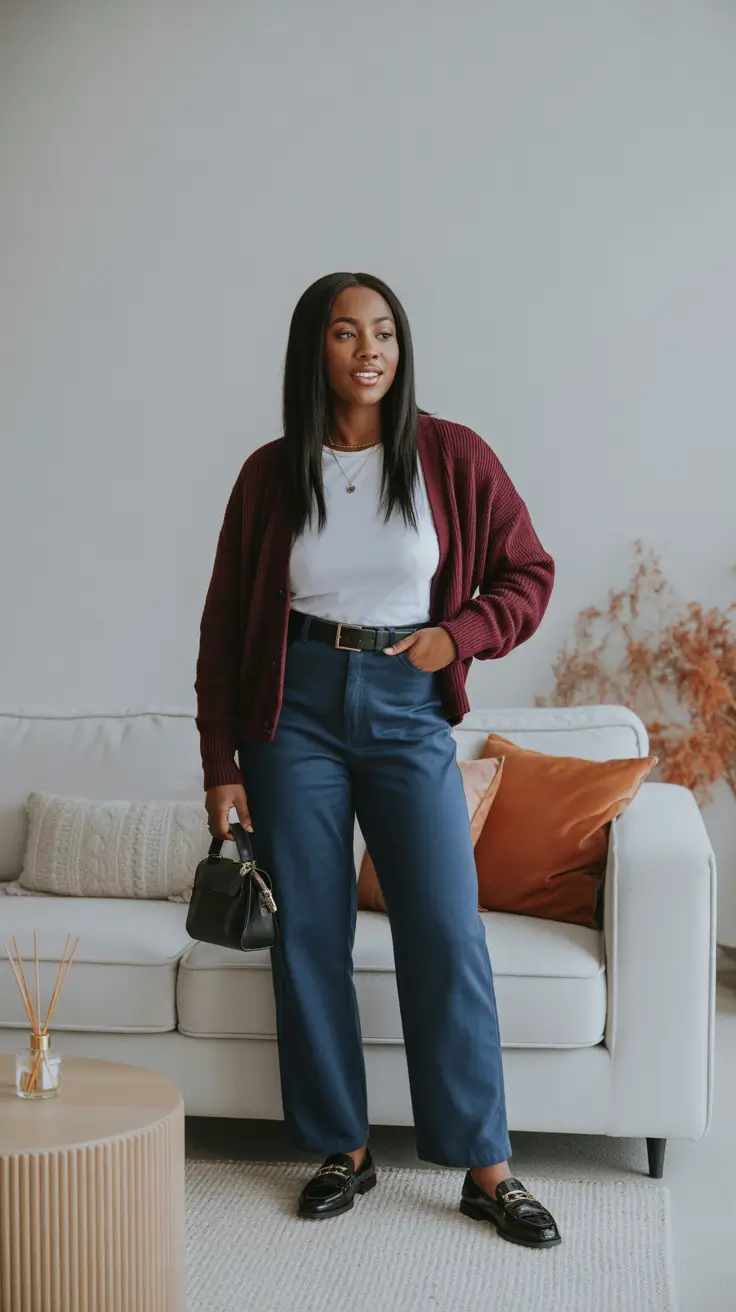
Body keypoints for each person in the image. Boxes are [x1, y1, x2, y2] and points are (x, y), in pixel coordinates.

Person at [195, 272, 561, 1249]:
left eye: (385, 332)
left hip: (406, 705)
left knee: (444, 931)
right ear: (313, 349)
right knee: (309, 935)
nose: (369, 350)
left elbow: (529, 571)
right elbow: (224, 627)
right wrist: (221, 765)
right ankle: (342, 1149)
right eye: (347, 333)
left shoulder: (450, 454)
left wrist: (459, 636)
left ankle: (486, 1168)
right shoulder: (270, 474)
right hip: (293, 714)